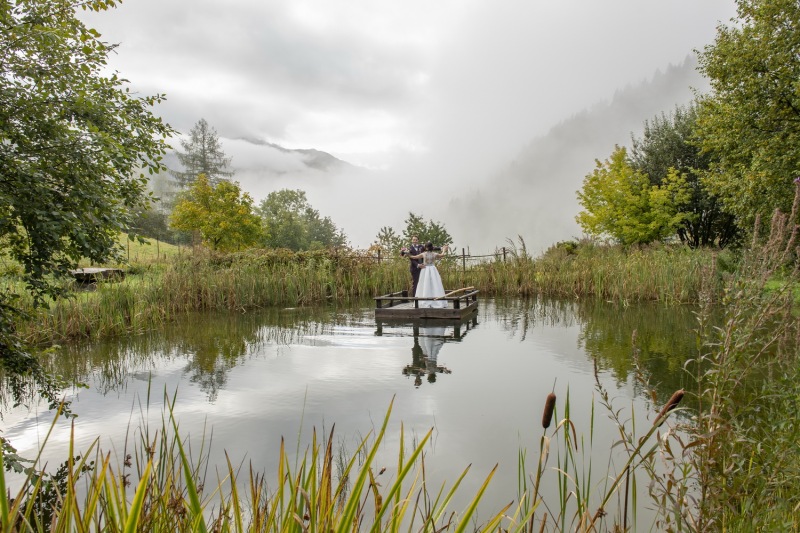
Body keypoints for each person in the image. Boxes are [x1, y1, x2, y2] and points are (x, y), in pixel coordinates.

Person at [409, 242, 448, 308]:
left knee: (424, 284)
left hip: (425, 269)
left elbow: (414, 257)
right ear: (432, 247)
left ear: (426, 247)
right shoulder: (434, 254)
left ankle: (424, 300)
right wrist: (444, 250)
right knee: (435, 284)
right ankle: (437, 301)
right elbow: (442, 255)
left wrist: (406, 254)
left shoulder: (423, 254)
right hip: (433, 269)